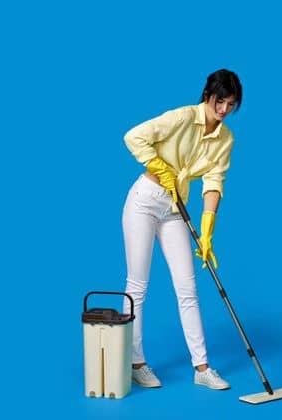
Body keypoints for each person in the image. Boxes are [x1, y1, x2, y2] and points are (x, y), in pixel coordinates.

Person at [119, 69, 240, 390]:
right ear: (208, 96)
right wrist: (160, 167)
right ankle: (136, 362)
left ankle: (202, 368)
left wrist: (208, 226)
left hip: (175, 209)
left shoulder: (225, 138)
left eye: (230, 103)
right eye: (219, 101)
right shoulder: (183, 117)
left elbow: (214, 179)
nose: (224, 109)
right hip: (145, 200)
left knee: (188, 288)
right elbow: (134, 136)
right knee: (138, 285)